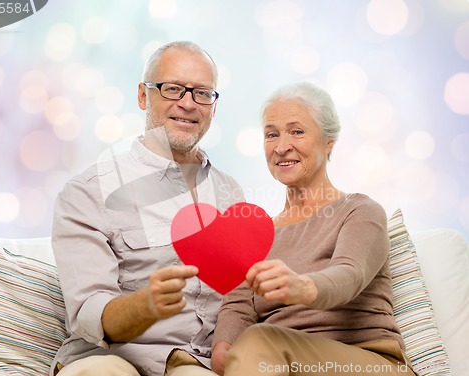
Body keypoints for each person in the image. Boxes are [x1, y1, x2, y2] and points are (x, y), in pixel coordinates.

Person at [170, 82, 417, 376]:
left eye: (296, 131)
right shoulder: (257, 234)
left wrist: (303, 286)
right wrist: (223, 347)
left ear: (329, 142)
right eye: (271, 134)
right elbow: (238, 306)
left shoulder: (361, 211)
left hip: (367, 362)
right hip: (276, 364)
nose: (281, 146)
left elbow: (350, 274)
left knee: (260, 341)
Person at [50, 41, 244, 376]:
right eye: (172, 89)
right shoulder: (88, 192)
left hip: (193, 363)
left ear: (214, 106)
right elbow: (88, 313)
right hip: (110, 358)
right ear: (143, 96)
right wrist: (145, 306)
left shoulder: (231, 194)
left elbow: (241, 301)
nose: (187, 103)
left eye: (202, 93)